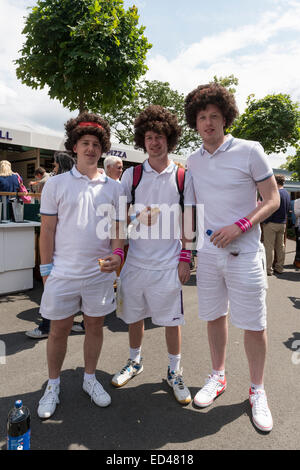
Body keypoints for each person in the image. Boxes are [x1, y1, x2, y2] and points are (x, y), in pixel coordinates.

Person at [184, 83, 280, 432]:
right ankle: (217, 376)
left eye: (214, 116)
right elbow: (190, 209)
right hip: (209, 255)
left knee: (254, 324)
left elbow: (272, 199)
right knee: (213, 317)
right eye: (202, 117)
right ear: (195, 124)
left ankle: (257, 390)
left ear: (226, 118)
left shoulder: (250, 150)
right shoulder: (193, 161)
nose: (208, 123)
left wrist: (240, 225)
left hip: (244, 252)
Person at [36, 113, 125, 419]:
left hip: (98, 274)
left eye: (96, 144)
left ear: (103, 149)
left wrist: (118, 253)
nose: (91, 149)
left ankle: (90, 378)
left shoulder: (114, 188)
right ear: (74, 146)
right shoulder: (56, 184)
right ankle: (53, 384)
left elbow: (119, 230)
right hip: (62, 272)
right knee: (58, 330)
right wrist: (45, 271)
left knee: (95, 326)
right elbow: (47, 230)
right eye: (85, 143)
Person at [111, 105, 192, 405]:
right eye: (148, 137)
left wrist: (186, 257)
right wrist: (120, 250)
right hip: (136, 263)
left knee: (173, 320)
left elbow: (189, 219)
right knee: (134, 317)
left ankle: (174, 371)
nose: (154, 142)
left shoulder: (183, 177)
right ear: (142, 141)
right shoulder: (130, 176)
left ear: (169, 139)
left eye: (159, 136)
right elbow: (118, 220)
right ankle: (135, 361)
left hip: (169, 263)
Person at [25, 152, 77, 339]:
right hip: (69, 250)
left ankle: (47, 326)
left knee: (53, 292)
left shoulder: (57, 183)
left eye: (55, 165)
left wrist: (45, 265)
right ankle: (69, 323)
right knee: (66, 292)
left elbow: (49, 226)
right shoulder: (71, 183)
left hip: (61, 249)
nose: (53, 167)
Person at [262, 174, 291, 275]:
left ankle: (268, 269)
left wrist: (265, 221)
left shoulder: (275, 193)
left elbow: (271, 210)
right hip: (282, 223)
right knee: (280, 247)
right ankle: (279, 267)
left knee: (269, 247)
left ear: (275, 181)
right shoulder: (287, 194)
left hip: (272, 223)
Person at [292, 196, 300, 268]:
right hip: (299, 226)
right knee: (299, 245)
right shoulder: (297, 201)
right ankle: (297, 261)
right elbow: (296, 213)